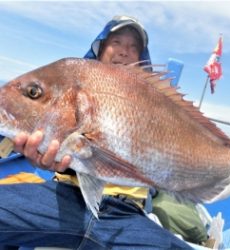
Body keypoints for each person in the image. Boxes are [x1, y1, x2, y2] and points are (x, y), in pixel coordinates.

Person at [0, 15, 193, 249]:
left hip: (128, 212)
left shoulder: (156, 109)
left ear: (141, 58)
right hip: (64, 197)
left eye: (134, 47)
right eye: (117, 42)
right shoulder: (70, 85)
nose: (124, 51)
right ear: (100, 48)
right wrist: (41, 156)